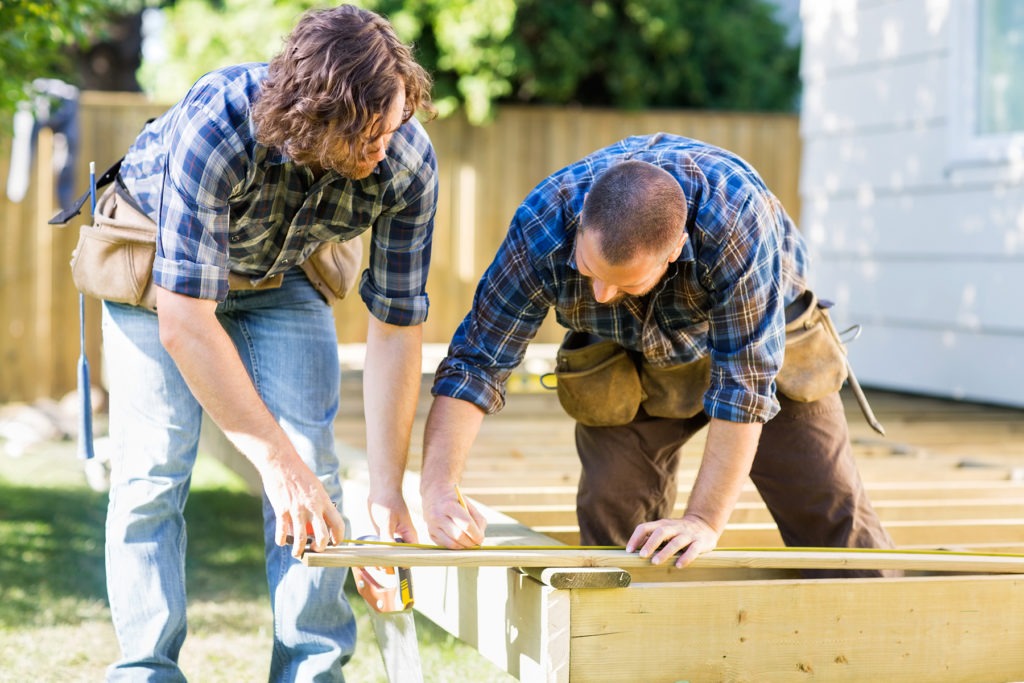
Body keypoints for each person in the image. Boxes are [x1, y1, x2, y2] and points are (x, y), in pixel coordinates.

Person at [100, 5, 435, 680]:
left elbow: (397, 325)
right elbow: (185, 321)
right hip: (160, 276)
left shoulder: (405, 161)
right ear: (314, 116)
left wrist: (388, 490)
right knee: (153, 472)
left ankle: (311, 669)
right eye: (367, 135)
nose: (385, 148)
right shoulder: (217, 125)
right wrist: (274, 466)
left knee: (315, 463)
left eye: (394, 124)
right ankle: (146, 669)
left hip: (282, 275)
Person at [418, 133, 898, 578]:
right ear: (582, 219)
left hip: (767, 345)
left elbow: (744, 388)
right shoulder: (543, 226)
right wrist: (439, 487)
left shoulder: (733, 219)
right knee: (614, 520)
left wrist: (703, 521)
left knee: (830, 513)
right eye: (588, 268)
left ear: (674, 253)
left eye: (625, 282)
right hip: (625, 353)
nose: (601, 293)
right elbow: (476, 363)